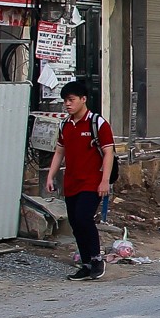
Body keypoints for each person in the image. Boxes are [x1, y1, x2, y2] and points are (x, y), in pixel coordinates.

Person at [46, 80, 115, 281]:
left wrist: (105, 181)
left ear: (83, 99)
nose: (67, 104)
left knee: (84, 218)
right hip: (71, 183)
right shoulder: (65, 125)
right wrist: (51, 175)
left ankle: (96, 259)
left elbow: (108, 153)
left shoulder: (97, 123)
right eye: (65, 101)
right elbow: (60, 152)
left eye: (71, 100)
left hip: (92, 182)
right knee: (76, 223)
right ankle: (85, 264)